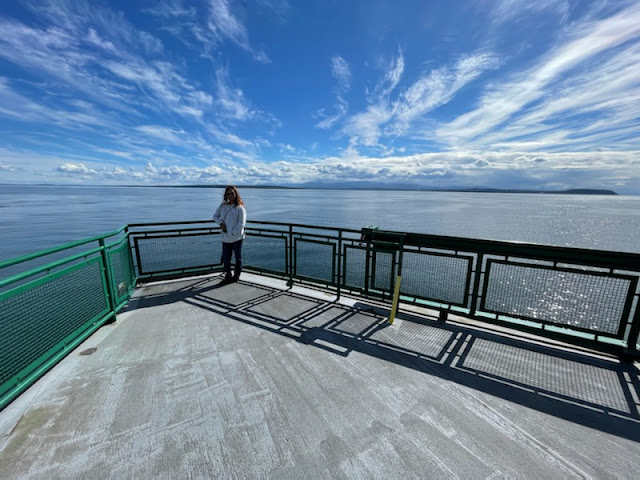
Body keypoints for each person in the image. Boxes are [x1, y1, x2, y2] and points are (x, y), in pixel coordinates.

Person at [212, 186, 246, 284]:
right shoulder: (222, 206)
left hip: (237, 238)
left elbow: (241, 224)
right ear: (225, 195)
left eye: (232, 193)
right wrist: (221, 223)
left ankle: (236, 276)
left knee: (237, 258)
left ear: (236, 194)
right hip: (225, 238)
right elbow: (215, 216)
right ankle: (228, 275)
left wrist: (232, 232)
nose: (230, 195)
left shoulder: (240, 208)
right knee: (226, 258)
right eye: (228, 194)